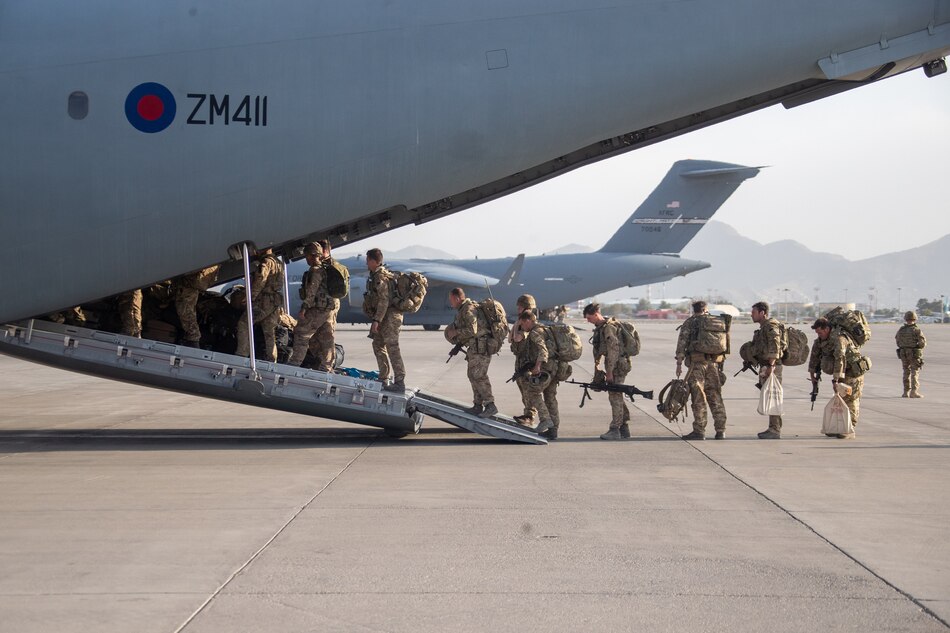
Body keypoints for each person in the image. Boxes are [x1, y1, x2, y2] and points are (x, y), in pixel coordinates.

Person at [675, 300, 727, 440]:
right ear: (706, 309)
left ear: (694, 310)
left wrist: (679, 363)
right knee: (715, 396)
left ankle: (699, 430)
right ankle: (720, 430)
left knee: (698, 397)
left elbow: (682, 343)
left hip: (697, 364)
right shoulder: (716, 321)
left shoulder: (690, 322)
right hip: (714, 364)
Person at [287, 241, 340, 371]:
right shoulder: (325, 269)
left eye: (307, 257)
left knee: (301, 333)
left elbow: (311, 292)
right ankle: (326, 367)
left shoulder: (316, 271)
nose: (306, 260)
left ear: (311, 256)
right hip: (328, 310)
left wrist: (304, 308)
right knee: (326, 339)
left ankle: (294, 364)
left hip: (317, 309)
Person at [584, 303, 632, 440]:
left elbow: (613, 350)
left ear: (596, 314)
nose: (588, 321)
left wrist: (609, 371)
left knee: (615, 396)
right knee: (617, 394)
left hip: (617, 365)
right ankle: (624, 427)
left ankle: (615, 429)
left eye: (589, 318)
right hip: (616, 364)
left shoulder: (608, 328)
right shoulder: (602, 328)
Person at [447, 288, 497, 418]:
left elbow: (472, 330)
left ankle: (490, 405)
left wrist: (456, 333)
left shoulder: (468, 309)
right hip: (475, 348)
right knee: (472, 375)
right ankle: (478, 405)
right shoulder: (463, 310)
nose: (450, 302)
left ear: (457, 298)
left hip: (482, 348)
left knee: (479, 376)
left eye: (451, 299)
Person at [809, 317, 861, 439]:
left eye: (820, 332)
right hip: (841, 373)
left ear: (827, 329)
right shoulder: (820, 341)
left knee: (850, 399)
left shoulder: (839, 339)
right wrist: (812, 374)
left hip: (852, 372)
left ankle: (850, 429)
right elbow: (814, 356)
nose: (819, 335)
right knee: (840, 399)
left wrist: (836, 380)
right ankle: (839, 427)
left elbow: (840, 359)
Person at [364, 248, 406, 392]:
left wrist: (376, 320)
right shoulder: (377, 275)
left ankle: (400, 382)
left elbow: (383, 300)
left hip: (390, 318)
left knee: (392, 348)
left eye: (368, 260)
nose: (367, 263)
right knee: (378, 345)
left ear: (374, 261)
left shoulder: (380, 277)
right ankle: (384, 378)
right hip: (385, 317)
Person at [512, 311, 557, 436]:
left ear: (527, 321)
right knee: (550, 399)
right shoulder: (543, 329)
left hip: (545, 370)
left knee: (532, 392)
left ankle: (546, 420)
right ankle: (553, 431)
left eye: (522, 324)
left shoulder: (535, 332)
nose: (523, 328)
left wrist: (537, 367)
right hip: (553, 368)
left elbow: (543, 351)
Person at [235, 248, 284, 362]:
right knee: (269, 331)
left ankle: (242, 354)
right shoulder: (278, 262)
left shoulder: (266, 263)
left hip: (263, 301)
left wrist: (250, 297)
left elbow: (260, 281)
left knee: (244, 323)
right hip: (274, 302)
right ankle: (272, 359)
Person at [750, 301, 784, 439]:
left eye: (753, 312)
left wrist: (771, 366)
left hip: (772, 366)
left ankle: (775, 430)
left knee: (773, 397)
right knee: (770, 396)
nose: (751, 315)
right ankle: (773, 428)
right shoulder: (764, 327)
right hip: (767, 365)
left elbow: (775, 345)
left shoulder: (770, 326)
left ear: (762, 313)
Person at [171, 265, 219, 347]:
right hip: (186, 286)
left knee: (186, 311)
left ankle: (193, 341)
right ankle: (192, 340)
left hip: (188, 287)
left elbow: (200, 283)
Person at [509, 294, 538, 425]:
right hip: (521, 359)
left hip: (526, 361)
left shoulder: (526, 321)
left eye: (519, 306)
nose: (518, 308)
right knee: (524, 389)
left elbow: (516, 338)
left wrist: (516, 326)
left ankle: (530, 416)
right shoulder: (524, 319)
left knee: (528, 389)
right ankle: (527, 414)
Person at [896, 310, 926, 398]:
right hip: (913, 353)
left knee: (906, 371)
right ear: (915, 319)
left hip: (903, 353)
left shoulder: (901, 330)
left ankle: (905, 392)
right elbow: (922, 343)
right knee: (914, 372)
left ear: (905, 319)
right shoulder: (916, 330)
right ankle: (914, 392)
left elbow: (898, 341)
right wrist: (916, 346)